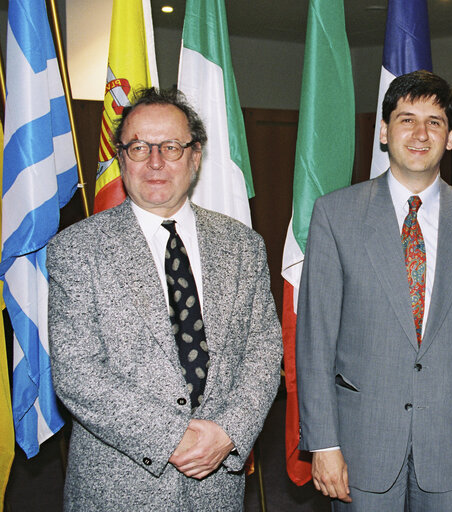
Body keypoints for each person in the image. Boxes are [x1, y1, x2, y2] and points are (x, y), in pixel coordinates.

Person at [47, 88, 283, 511]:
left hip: (217, 482)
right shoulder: (76, 249)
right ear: (121, 158)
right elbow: (77, 372)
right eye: (139, 147)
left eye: (170, 147)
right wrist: (172, 438)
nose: (155, 161)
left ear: (195, 157)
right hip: (117, 488)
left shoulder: (243, 246)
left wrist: (230, 430)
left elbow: (263, 351)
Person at [295, 70, 452, 511]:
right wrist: (322, 443)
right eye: (406, 119)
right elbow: (315, 342)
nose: (419, 133)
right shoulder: (335, 215)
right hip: (359, 444)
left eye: (434, 122)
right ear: (383, 131)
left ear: (451, 137)